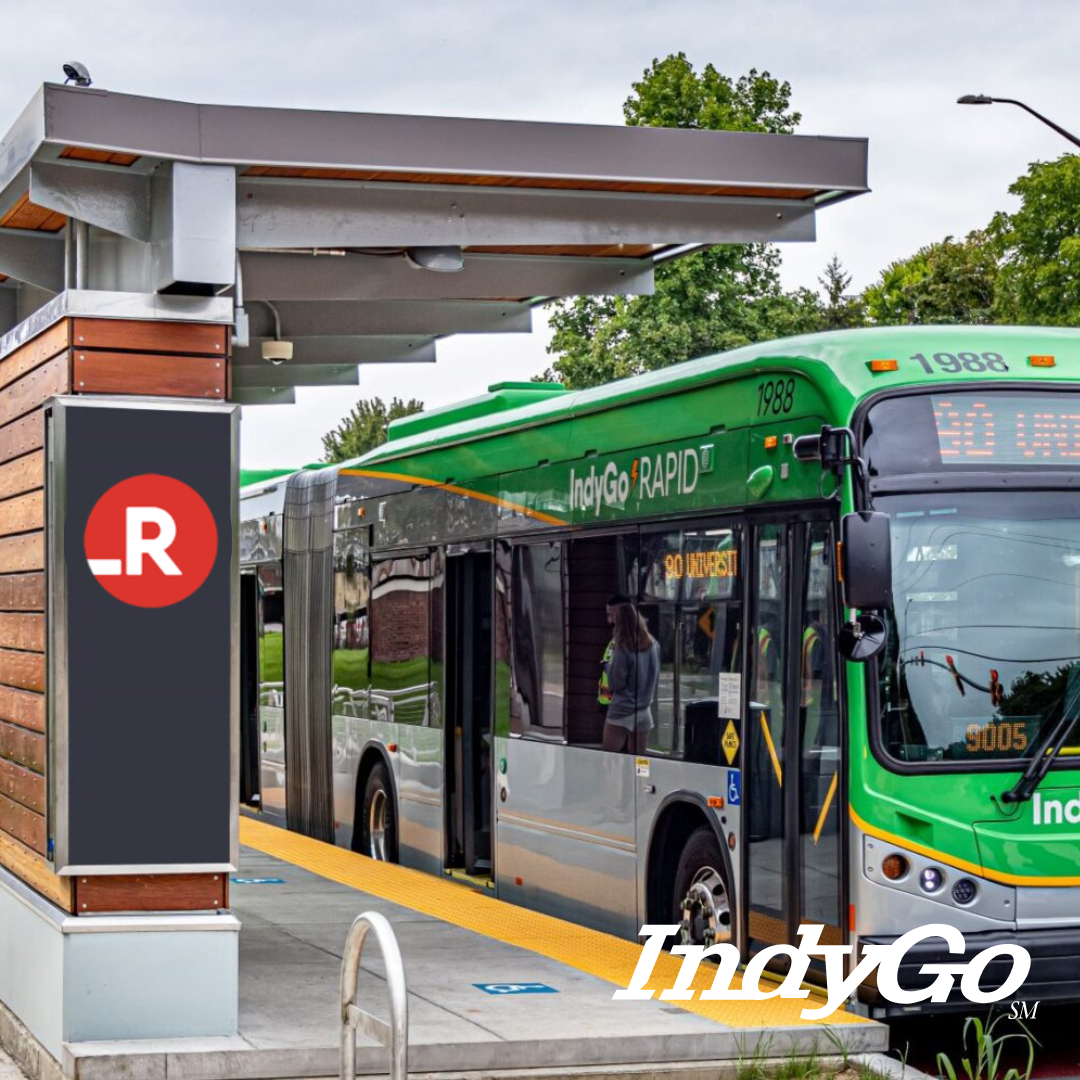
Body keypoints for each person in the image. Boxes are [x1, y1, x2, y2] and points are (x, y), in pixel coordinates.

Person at [603, 603, 661, 754]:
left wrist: (608, 666)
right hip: (644, 710)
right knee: (639, 762)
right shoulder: (653, 645)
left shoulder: (623, 647)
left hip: (622, 710)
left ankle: (615, 779)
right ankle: (641, 779)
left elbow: (616, 683)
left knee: (610, 760)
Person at [597, 593, 631, 716]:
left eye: (613, 615)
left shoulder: (628, 644)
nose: (609, 620)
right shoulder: (614, 642)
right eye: (608, 615)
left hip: (622, 709)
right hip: (611, 705)